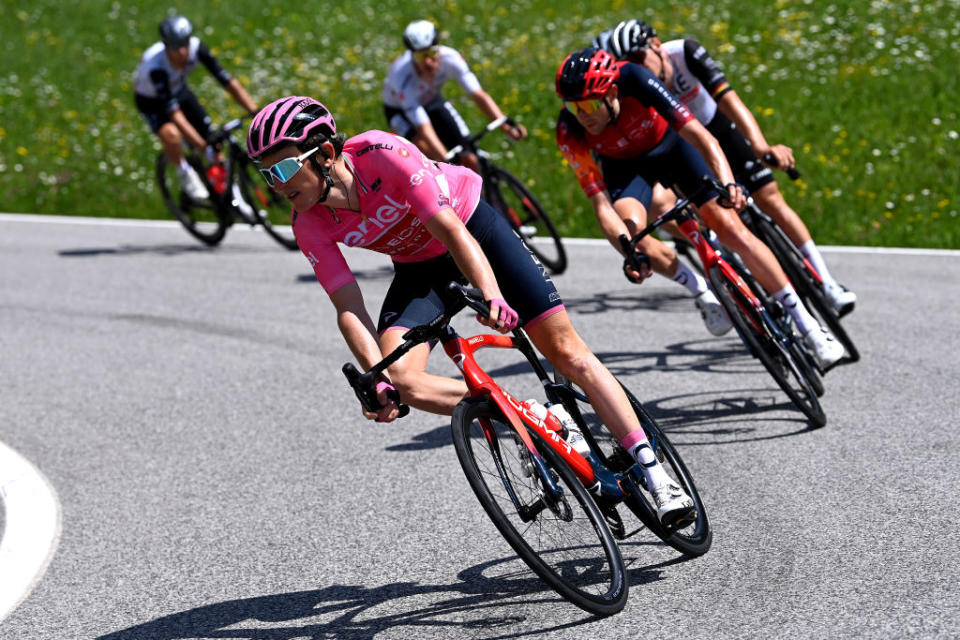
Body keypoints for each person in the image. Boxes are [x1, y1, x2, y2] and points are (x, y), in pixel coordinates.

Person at [247, 95, 695, 526]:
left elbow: (453, 232)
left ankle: (657, 474)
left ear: (325, 153)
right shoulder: (307, 222)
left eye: (284, 168)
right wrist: (376, 378)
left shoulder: (384, 154)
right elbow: (347, 304)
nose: (277, 184)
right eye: (267, 175)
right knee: (404, 380)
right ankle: (531, 416)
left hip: (472, 229)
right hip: (418, 268)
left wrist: (491, 294)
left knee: (566, 352)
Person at [554, 47, 844, 367]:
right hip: (626, 170)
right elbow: (601, 205)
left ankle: (810, 327)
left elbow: (701, 136)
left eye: (589, 105)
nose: (583, 115)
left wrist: (729, 183)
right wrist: (630, 253)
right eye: (573, 106)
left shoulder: (635, 78)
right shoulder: (569, 129)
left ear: (610, 92)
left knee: (731, 229)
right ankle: (701, 291)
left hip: (673, 149)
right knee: (632, 230)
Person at [595, 19, 856, 314]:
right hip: (684, 148)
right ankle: (749, 285)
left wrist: (760, 146)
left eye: (638, 57)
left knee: (769, 197)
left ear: (656, 45)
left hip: (717, 131)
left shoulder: (685, 53)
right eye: (627, 63)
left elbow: (731, 102)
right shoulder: (630, 88)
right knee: (714, 221)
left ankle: (827, 284)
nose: (636, 67)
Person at [134, 14, 258, 205]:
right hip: (152, 102)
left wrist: (255, 111)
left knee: (215, 147)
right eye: (176, 47)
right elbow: (175, 115)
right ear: (166, 46)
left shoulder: (196, 48)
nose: (183, 52)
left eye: (185, 43)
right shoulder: (156, 67)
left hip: (179, 90)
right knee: (172, 135)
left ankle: (234, 198)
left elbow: (227, 81)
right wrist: (202, 146)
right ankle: (184, 173)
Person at [381, 20, 527, 174]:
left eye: (431, 53)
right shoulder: (402, 76)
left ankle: (481, 196)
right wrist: (446, 161)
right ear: (412, 56)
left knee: (470, 158)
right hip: (400, 112)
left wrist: (506, 127)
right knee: (433, 161)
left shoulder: (450, 58)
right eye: (420, 56)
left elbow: (479, 95)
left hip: (431, 100)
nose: (428, 62)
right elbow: (423, 127)